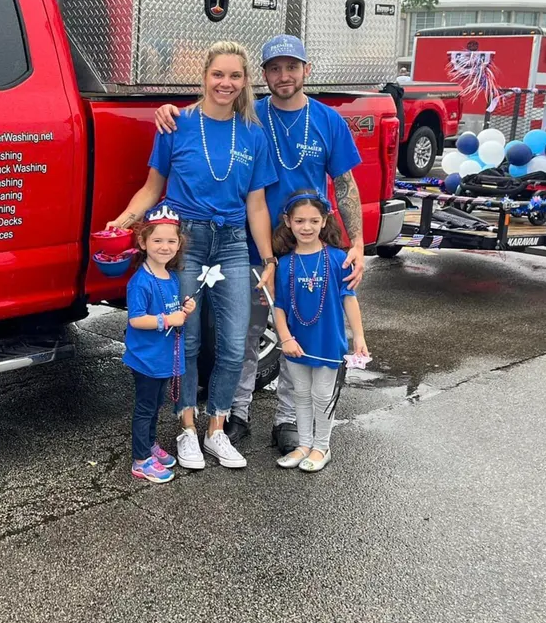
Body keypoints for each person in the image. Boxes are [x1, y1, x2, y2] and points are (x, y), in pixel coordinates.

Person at [153, 34, 365, 455]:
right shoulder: (250, 115)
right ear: (262, 76)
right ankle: (238, 414)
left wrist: (357, 243)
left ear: (307, 71)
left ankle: (288, 420)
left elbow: (345, 184)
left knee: (303, 329)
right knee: (246, 334)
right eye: (274, 68)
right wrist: (168, 108)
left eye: (292, 67)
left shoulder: (328, 121)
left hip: (308, 245)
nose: (283, 75)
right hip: (251, 242)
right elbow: (206, 113)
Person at [109, 40, 278, 470]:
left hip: (234, 243)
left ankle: (216, 429)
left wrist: (269, 260)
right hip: (186, 241)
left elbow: (256, 204)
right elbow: (152, 187)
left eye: (235, 76)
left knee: (236, 340)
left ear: (245, 82)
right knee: (186, 338)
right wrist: (125, 220)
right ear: (204, 76)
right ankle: (186, 429)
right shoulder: (176, 125)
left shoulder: (253, 133)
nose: (226, 83)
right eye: (218, 74)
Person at [270, 190, 369, 472]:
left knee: (323, 396)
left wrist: (358, 337)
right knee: (300, 392)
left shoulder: (339, 259)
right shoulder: (285, 263)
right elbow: (279, 306)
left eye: (313, 221)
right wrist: (285, 338)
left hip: (327, 340)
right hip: (296, 342)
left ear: (324, 221)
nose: (306, 227)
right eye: (300, 221)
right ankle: (303, 444)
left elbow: (349, 299)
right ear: (288, 222)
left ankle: (321, 447)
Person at [124, 205, 197, 484]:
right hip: (146, 359)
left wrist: (185, 309)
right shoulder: (140, 282)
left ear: (179, 244)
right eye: (157, 240)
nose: (164, 246)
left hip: (164, 358)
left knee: (155, 406)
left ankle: (150, 445)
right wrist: (168, 319)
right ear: (143, 242)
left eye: (171, 241)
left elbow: (174, 312)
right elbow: (136, 320)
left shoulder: (173, 277)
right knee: (145, 408)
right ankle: (141, 460)